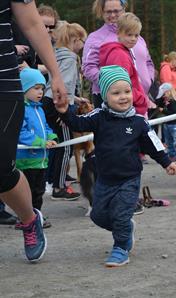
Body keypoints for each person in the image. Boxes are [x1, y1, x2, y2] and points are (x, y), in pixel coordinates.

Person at [55, 65, 176, 267]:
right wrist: (65, 112)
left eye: (127, 91)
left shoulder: (139, 121)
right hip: (104, 179)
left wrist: (167, 162)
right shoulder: (98, 117)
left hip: (129, 179)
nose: (123, 97)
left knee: (121, 214)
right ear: (105, 96)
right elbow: (77, 124)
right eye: (116, 93)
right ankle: (125, 228)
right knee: (98, 215)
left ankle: (121, 247)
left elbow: (153, 144)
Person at [0, 0, 67, 263]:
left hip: (3, 81)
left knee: (1, 169)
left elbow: (30, 22)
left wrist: (56, 74)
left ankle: (28, 219)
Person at [82, 0, 155, 110]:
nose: (112, 15)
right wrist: (113, 83)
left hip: (140, 99)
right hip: (110, 101)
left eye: (116, 11)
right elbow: (88, 68)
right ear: (102, 12)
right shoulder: (95, 38)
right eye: (108, 12)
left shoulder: (138, 38)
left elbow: (148, 62)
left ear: (124, 9)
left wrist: (148, 81)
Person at [43, 22, 87, 200]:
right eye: (82, 41)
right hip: (58, 104)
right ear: (75, 40)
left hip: (48, 100)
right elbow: (66, 85)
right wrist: (65, 110)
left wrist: (76, 99)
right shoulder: (70, 58)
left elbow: (55, 82)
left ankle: (53, 180)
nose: (83, 45)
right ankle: (59, 187)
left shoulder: (56, 56)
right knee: (66, 146)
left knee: (58, 143)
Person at [17, 68, 58, 229]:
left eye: (42, 88)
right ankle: (27, 218)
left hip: (41, 159)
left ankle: (36, 216)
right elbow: (21, 133)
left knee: (39, 191)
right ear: (24, 88)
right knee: (28, 193)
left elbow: (46, 127)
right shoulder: (21, 109)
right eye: (36, 88)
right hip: (26, 160)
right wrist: (41, 142)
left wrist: (51, 136)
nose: (40, 92)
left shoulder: (38, 109)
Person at [99, 12, 149, 117]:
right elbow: (121, 87)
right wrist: (141, 99)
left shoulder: (122, 52)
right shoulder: (120, 56)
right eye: (129, 34)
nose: (133, 39)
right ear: (118, 33)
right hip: (129, 110)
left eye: (136, 35)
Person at [156, 83, 176, 162]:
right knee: (167, 141)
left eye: (165, 93)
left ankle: (172, 155)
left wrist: (163, 110)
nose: (163, 95)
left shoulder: (173, 102)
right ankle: (170, 155)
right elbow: (158, 103)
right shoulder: (165, 101)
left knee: (172, 142)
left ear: (169, 92)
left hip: (172, 125)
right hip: (166, 124)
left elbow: (173, 113)